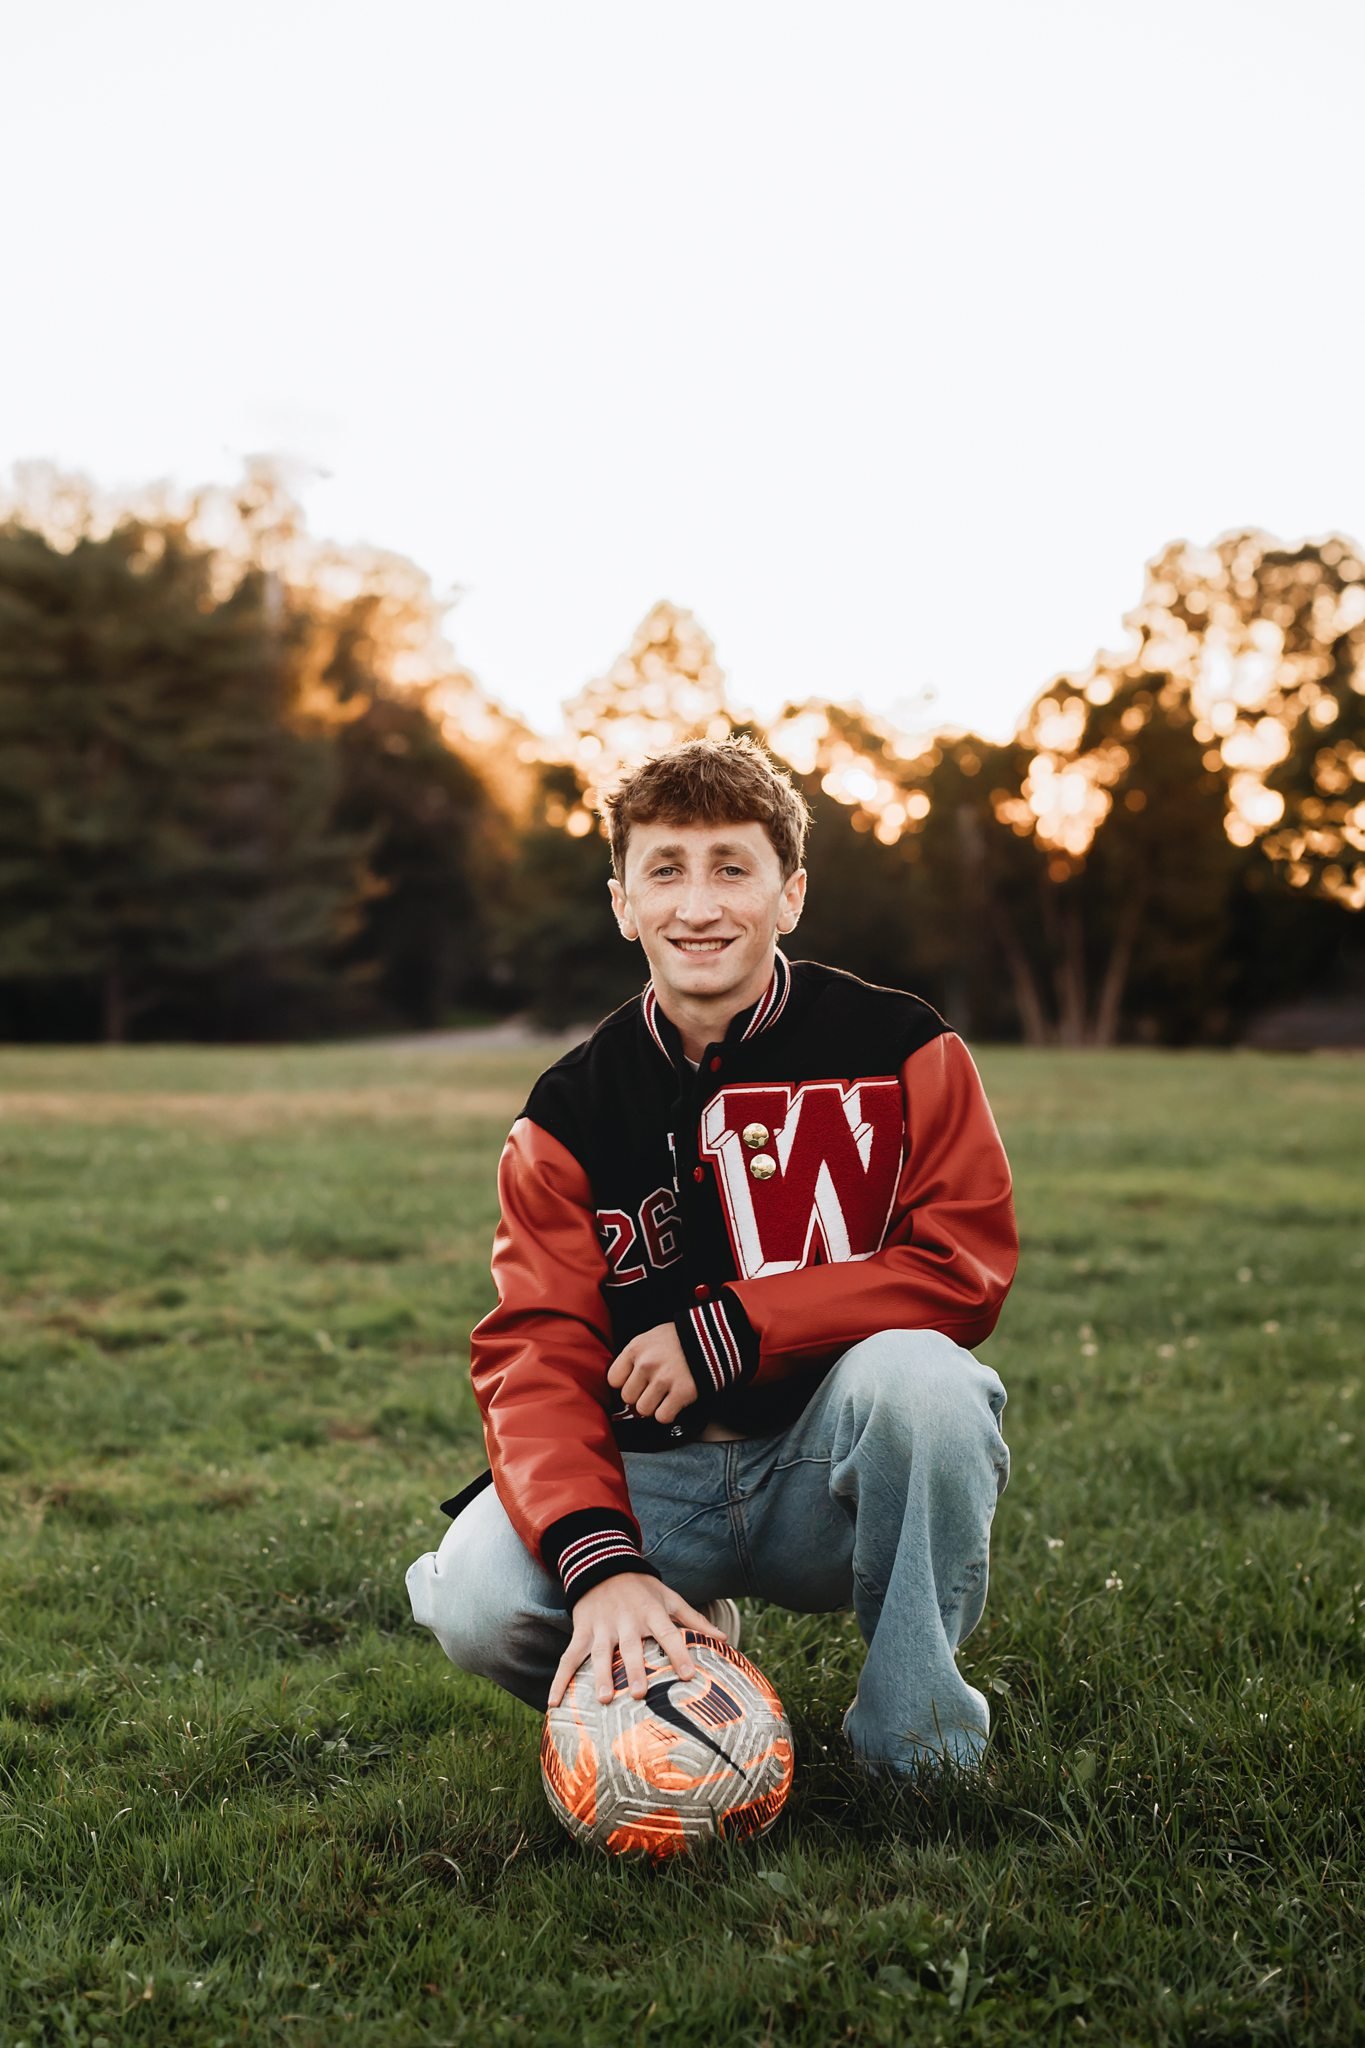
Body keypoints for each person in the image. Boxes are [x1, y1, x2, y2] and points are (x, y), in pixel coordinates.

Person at [406, 736, 1017, 1772]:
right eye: (666, 871)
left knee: (931, 1383)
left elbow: (965, 1266)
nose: (698, 905)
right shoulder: (566, 1111)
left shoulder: (903, 1047)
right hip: (654, 1482)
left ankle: (914, 1746)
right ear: (623, 904)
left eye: (732, 868)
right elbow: (536, 1352)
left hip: (827, 1475)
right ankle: (683, 1668)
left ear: (790, 894)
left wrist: (731, 1329)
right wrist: (601, 1563)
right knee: (476, 1598)